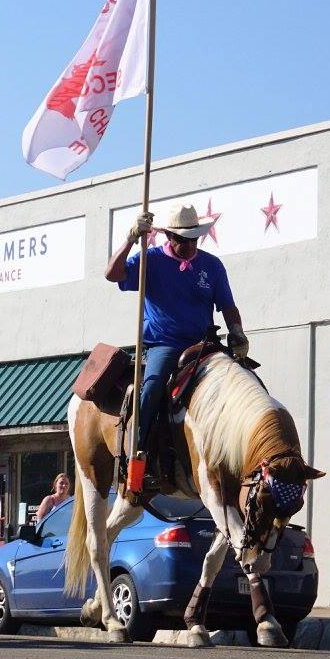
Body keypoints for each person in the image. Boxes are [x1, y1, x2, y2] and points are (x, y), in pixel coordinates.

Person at [106, 203, 247, 488]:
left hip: (204, 344)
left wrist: (237, 333)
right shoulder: (150, 260)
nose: (190, 244)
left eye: (194, 238)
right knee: (153, 387)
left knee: (243, 382)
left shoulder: (212, 265)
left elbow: (228, 306)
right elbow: (112, 274)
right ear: (170, 237)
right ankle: (138, 458)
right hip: (165, 344)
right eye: (183, 239)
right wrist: (132, 238)